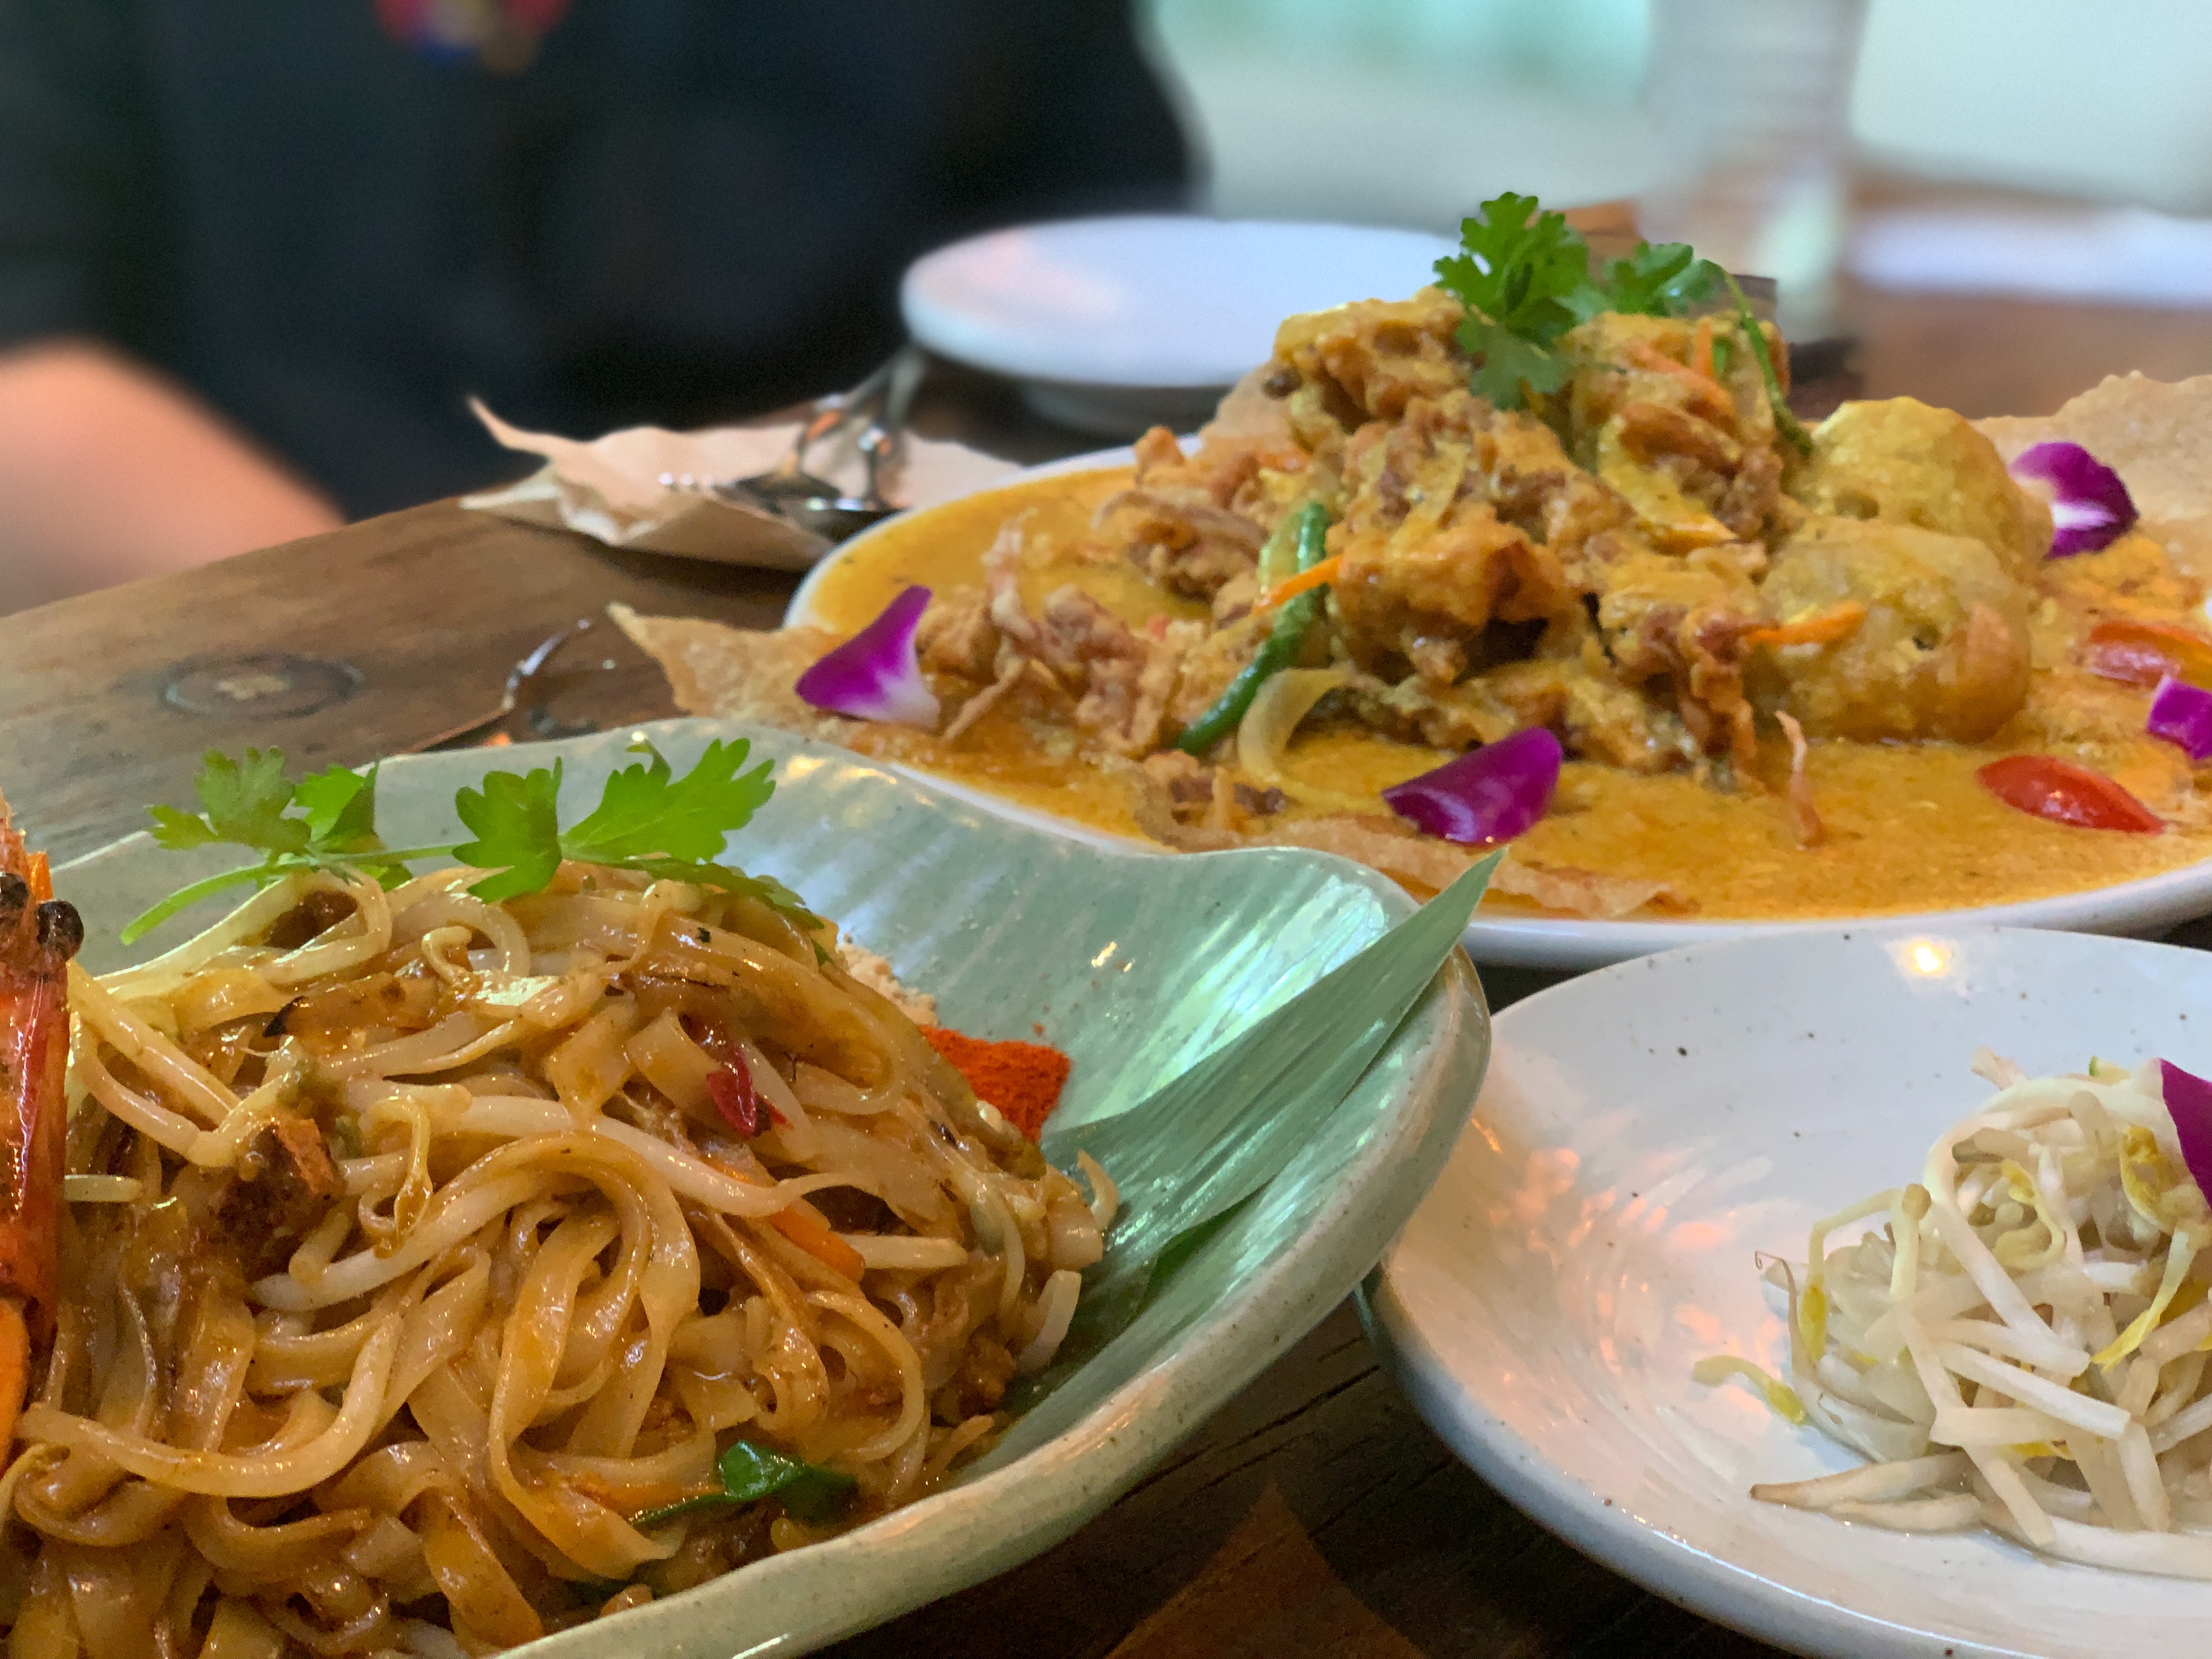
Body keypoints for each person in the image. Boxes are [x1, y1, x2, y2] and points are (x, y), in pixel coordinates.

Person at [0, 0, 1190, 611]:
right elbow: (28, 369)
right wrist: (374, 647)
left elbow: (1112, 277)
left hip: (854, 582)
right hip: (280, 594)